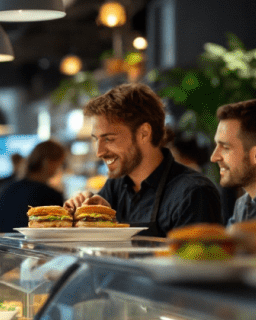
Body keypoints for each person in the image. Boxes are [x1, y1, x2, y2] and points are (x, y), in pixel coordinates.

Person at [64, 83, 222, 236]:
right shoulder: (116, 186)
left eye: (109, 139)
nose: (99, 152)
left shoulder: (194, 193)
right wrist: (79, 211)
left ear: (144, 133)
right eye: (96, 139)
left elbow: (199, 260)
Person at [0, 141, 67, 232]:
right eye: (59, 163)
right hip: (34, 245)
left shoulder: (6, 189)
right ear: (48, 162)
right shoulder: (50, 195)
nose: (59, 169)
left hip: (4, 245)